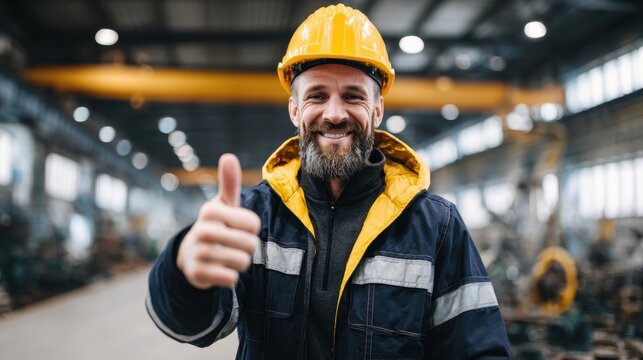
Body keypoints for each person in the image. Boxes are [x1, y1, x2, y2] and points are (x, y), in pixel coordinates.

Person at [146, 4, 511, 359]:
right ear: (294, 110)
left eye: (353, 96)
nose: (334, 114)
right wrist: (182, 272)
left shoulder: (437, 227)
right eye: (317, 96)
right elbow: (193, 328)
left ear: (378, 110)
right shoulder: (252, 218)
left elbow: (478, 349)